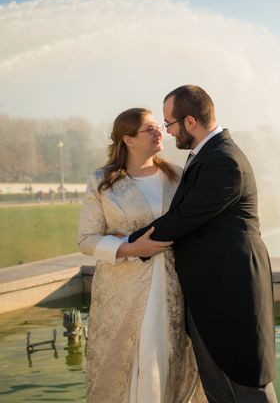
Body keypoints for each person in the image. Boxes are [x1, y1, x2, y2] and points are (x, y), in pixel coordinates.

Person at [128, 85, 277, 402]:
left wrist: (126, 244)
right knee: (218, 386)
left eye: (170, 124)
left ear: (190, 122)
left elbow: (183, 218)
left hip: (231, 292)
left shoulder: (224, 161)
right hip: (209, 292)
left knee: (248, 385)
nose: (168, 133)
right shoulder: (206, 155)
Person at [77, 108, 204, 402]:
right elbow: (86, 240)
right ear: (128, 139)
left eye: (159, 126)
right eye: (149, 128)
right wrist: (132, 248)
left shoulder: (177, 176)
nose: (160, 131)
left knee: (168, 358)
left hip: (174, 286)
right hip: (122, 292)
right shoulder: (102, 182)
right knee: (129, 361)